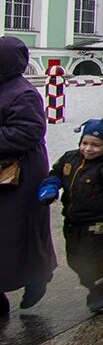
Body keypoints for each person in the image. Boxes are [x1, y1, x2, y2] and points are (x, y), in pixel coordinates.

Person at [38, 119, 103, 313]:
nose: (89, 149)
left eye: (96, 145)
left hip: (97, 219)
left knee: (90, 256)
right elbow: (55, 173)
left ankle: (100, 290)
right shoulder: (70, 158)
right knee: (74, 259)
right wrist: (51, 186)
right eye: (85, 143)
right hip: (72, 218)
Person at [0, 37, 56, 317]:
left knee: (20, 232)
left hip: (20, 176)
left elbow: (28, 132)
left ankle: (37, 275)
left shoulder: (23, 93)